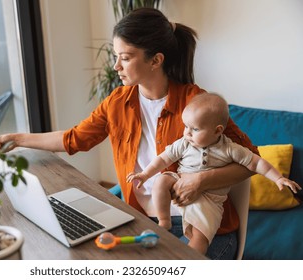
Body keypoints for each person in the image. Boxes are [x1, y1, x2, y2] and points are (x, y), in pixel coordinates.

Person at [0, 8, 259, 259]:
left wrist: (201, 181)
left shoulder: (196, 103)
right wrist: (19, 139)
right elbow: (74, 139)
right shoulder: (117, 102)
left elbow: (253, 160)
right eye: (116, 56)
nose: (116, 66)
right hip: (142, 220)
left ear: (156, 60)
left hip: (204, 229)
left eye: (126, 58)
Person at [126, 93, 301, 255]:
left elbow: (256, 163)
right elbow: (163, 159)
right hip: (180, 180)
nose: (187, 132)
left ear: (217, 131)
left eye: (194, 129)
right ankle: (164, 221)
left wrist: (278, 178)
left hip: (209, 201)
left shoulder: (230, 149)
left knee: (200, 238)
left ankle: (188, 260)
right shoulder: (185, 143)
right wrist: (145, 174)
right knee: (162, 181)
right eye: (185, 126)